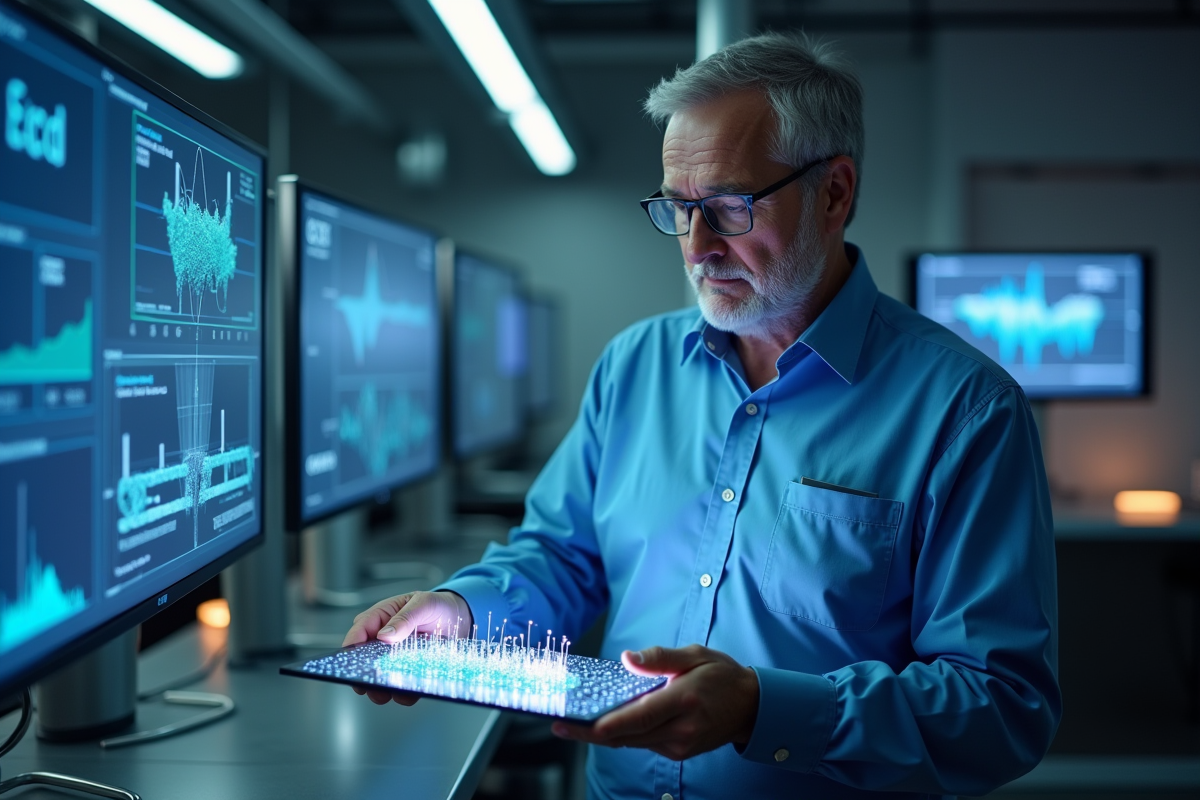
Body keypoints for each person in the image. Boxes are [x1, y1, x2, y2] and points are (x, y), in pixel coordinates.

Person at [344, 32, 1061, 800]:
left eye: (728, 207)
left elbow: (1000, 707)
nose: (696, 248)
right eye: (677, 209)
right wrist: (461, 611)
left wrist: (763, 709)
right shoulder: (634, 367)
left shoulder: (964, 412)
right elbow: (562, 555)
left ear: (835, 192)